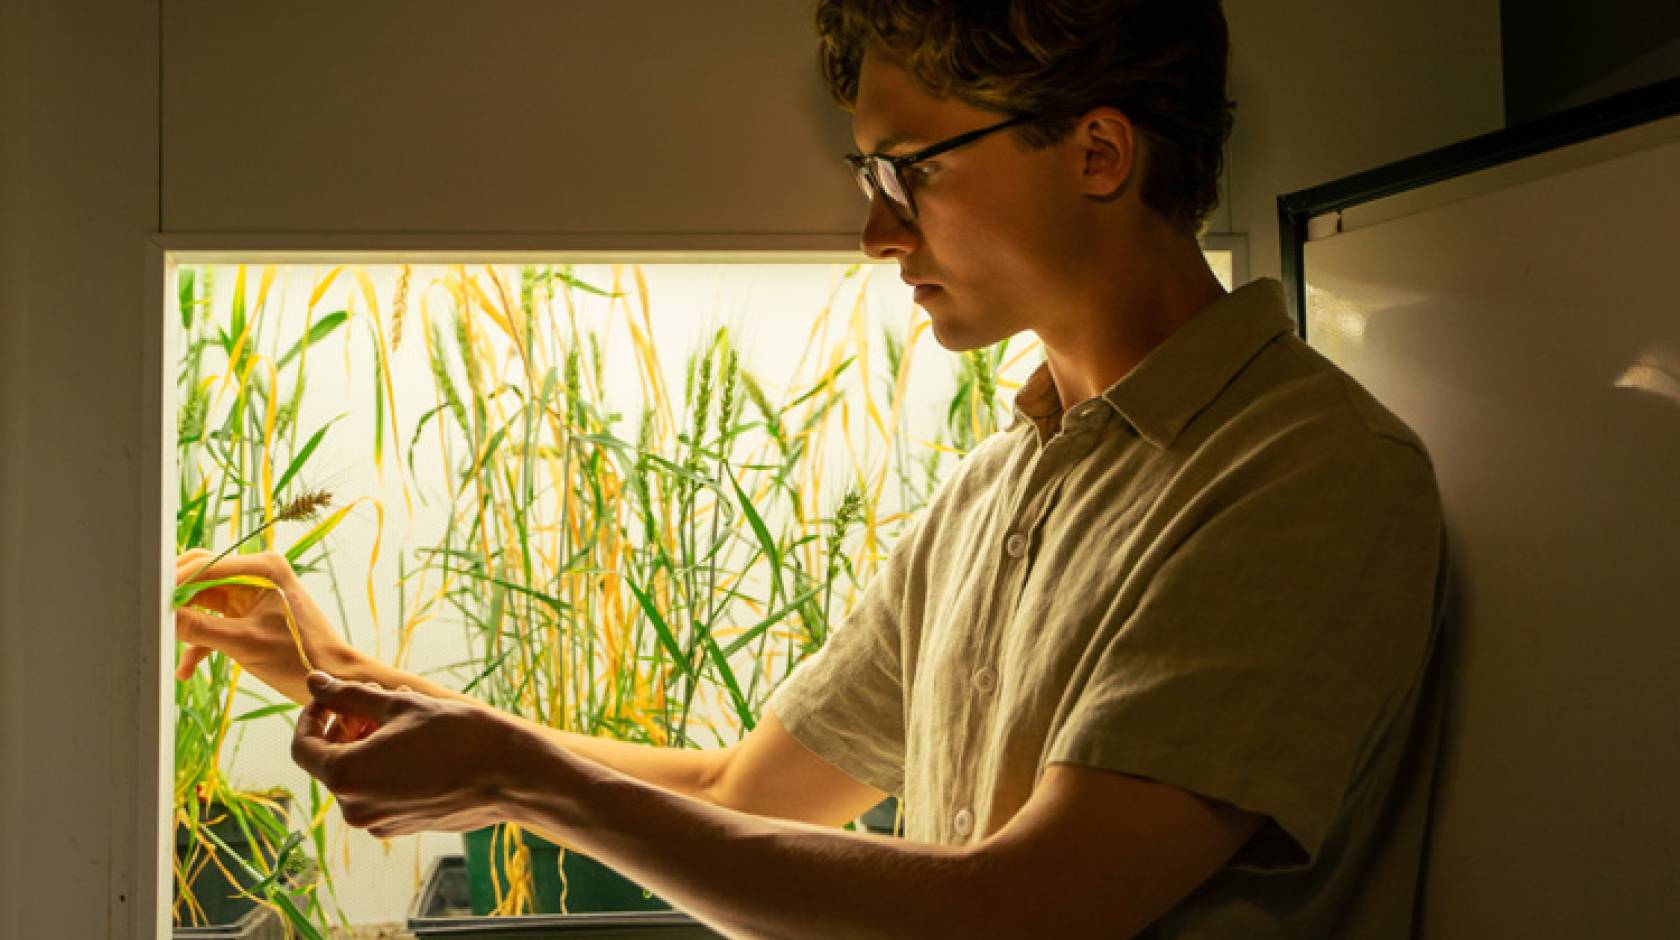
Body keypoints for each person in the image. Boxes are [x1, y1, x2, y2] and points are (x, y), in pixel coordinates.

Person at [173, 1, 1448, 936]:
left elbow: (1024, 915)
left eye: (912, 171)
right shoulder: (1002, 485)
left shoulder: (1305, 476)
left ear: (1099, 153)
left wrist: (516, 780)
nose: (876, 228)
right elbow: (744, 794)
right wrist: (341, 673)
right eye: (868, 174)